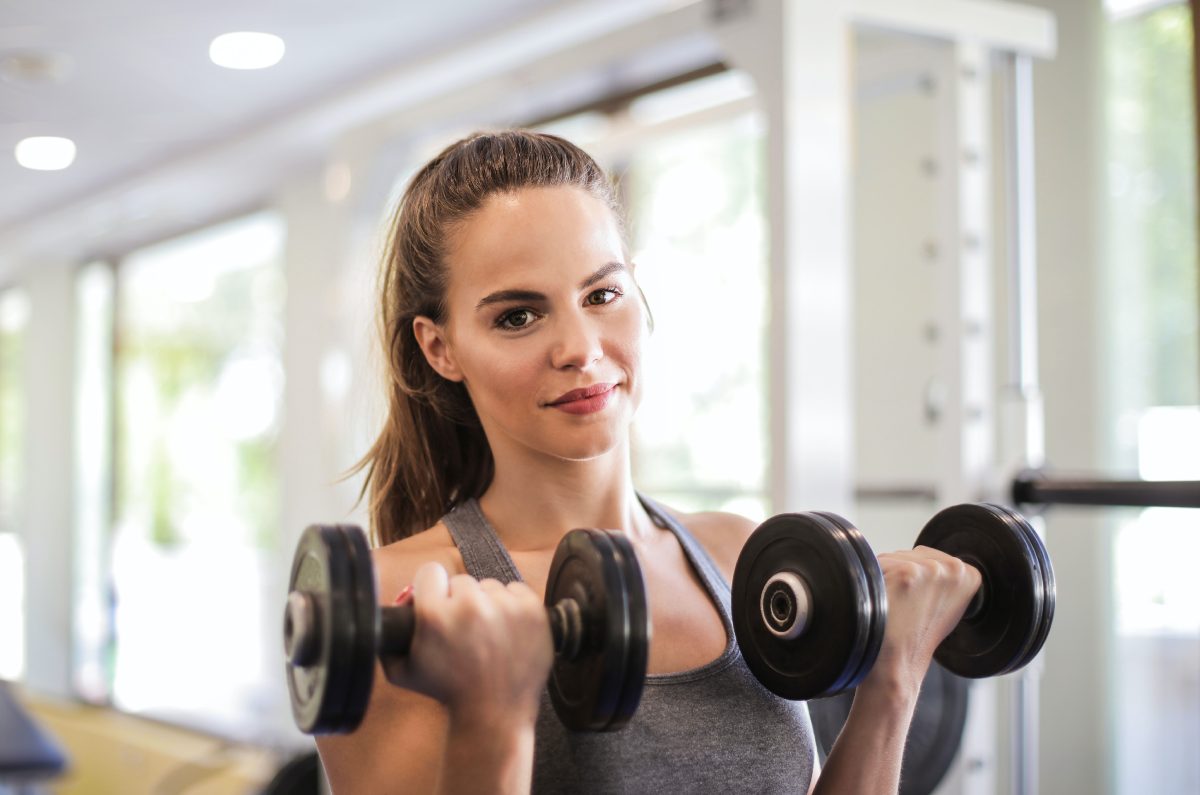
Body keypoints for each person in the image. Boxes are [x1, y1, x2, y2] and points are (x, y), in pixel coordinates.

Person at [315, 130, 981, 794]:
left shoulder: (741, 558)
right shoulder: (397, 603)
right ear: (440, 348)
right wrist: (493, 713)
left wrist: (895, 676)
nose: (580, 347)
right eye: (518, 316)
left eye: (601, 295)